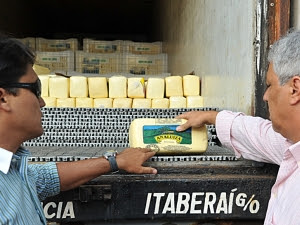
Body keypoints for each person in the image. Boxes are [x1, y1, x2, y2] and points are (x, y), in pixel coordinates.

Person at [0, 34, 157, 225]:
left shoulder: (12, 170)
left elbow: (42, 178)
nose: (42, 102)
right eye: (36, 90)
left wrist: (115, 161)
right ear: (3, 98)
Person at [176, 29, 300, 225]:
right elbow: (258, 134)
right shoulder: (292, 146)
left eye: (269, 86)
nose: (265, 96)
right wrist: (212, 117)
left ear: (295, 89)